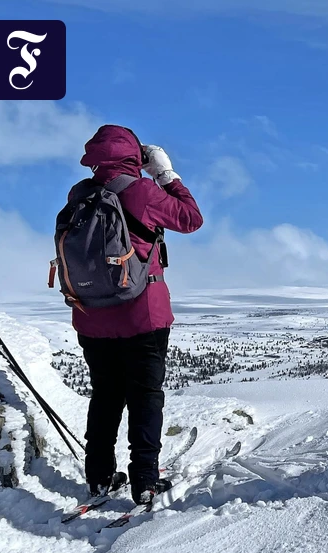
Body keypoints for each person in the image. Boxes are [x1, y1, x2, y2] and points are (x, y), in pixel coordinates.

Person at [70, 125, 203, 504]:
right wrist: (166, 175)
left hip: (90, 315)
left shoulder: (79, 193)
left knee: (106, 395)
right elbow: (191, 219)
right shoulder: (140, 190)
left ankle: (98, 477)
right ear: (135, 156)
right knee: (145, 397)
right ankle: (144, 480)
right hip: (141, 313)